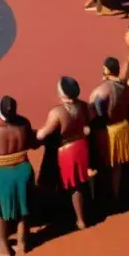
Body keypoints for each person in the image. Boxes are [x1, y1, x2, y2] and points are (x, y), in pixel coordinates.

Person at [0, 95, 37, 256]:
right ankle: (22, 243)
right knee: (23, 206)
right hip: (23, 170)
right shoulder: (25, 123)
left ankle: (3, 247)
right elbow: (32, 143)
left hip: (1, 174)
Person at [36, 76, 91, 230]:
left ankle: (80, 220)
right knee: (78, 181)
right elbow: (88, 125)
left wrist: (35, 134)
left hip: (68, 151)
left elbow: (42, 134)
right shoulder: (83, 106)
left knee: (74, 185)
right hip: (81, 145)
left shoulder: (57, 112)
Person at [88, 58, 129, 206]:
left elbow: (95, 110)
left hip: (107, 131)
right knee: (117, 166)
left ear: (106, 70)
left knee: (101, 163)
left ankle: (99, 196)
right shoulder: (124, 87)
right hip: (122, 128)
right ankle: (115, 193)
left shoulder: (101, 90)